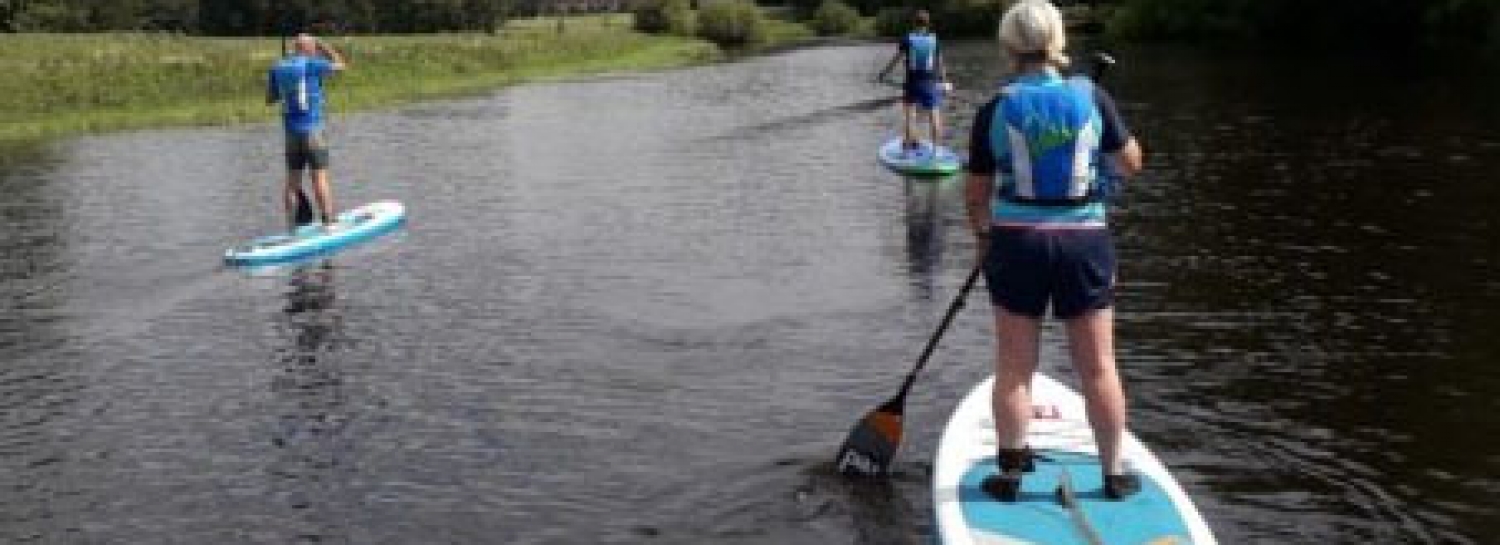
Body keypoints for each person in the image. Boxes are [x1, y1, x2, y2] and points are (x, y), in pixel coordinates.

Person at [962, 0, 1145, 502]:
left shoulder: (993, 109)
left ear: (1008, 47)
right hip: (1084, 244)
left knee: (1015, 366)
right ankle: (1114, 475)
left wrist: (983, 240)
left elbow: (976, 194)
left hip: (1016, 245)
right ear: (1057, 41)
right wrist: (1099, 172)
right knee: (1099, 367)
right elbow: (1131, 162)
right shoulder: (1091, 98)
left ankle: (1011, 475)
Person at [267, 33, 347, 230]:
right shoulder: (313, 63)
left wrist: (288, 87)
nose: (316, 50)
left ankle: (291, 227)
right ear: (309, 48)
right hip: (313, 131)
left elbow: (270, 99)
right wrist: (324, 45)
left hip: (291, 134)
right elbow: (341, 65)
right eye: (314, 47)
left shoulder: (277, 67)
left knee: (292, 182)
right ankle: (328, 223)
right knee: (319, 177)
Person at [878, 9, 950, 155]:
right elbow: (940, 63)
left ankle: (908, 149)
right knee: (934, 115)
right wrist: (944, 81)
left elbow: (896, 59)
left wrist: (884, 74)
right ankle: (937, 151)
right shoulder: (934, 39)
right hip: (930, 83)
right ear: (928, 24)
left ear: (914, 23)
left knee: (910, 115)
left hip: (912, 83)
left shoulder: (907, 39)